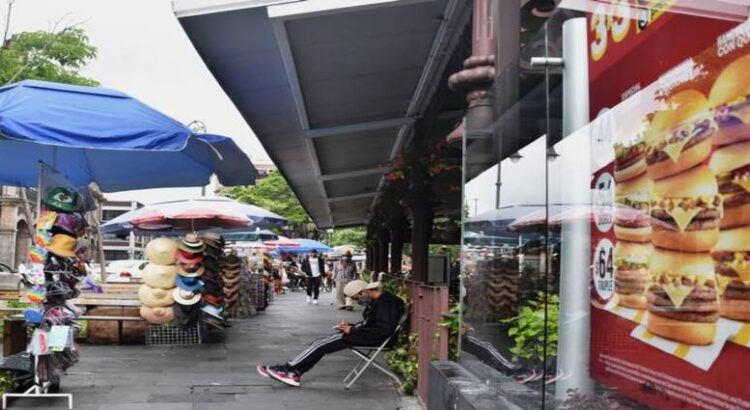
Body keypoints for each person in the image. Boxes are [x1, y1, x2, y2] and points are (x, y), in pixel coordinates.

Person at [257, 280, 405, 387]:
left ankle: (290, 369)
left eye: (356, 298)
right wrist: (350, 327)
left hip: (377, 339)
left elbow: (383, 330)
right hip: (369, 336)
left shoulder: (387, 303)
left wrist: (352, 330)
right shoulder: (379, 302)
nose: (356, 302)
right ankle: (294, 371)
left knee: (323, 344)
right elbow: (371, 324)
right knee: (321, 343)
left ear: (364, 292)